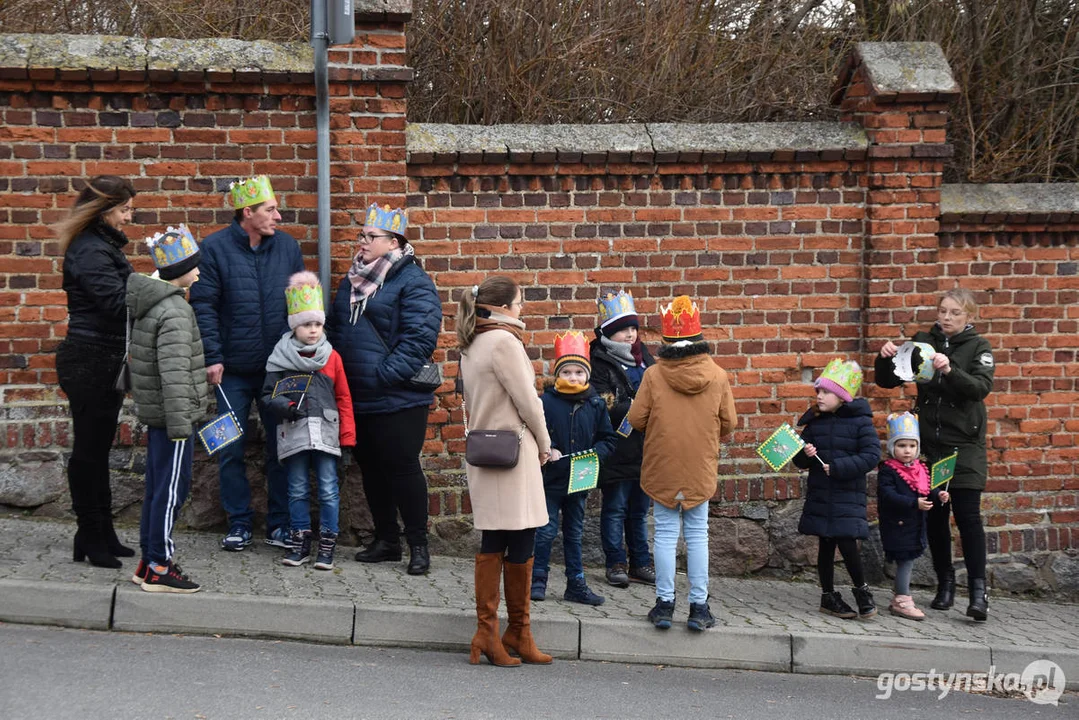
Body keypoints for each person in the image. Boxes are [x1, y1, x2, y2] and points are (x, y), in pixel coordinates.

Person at [189, 176, 304, 552]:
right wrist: (213, 356)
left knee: (281, 447)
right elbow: (203, 304)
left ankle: (280, 524)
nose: (278, 216)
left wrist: (301, 356)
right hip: (232, 373)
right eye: (270, 210)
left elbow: (302, 303)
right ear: (247, 212)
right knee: (229, 447)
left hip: (278, 370)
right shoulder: (215, 249)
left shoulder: (288, 247)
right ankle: (238, 523)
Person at [327, 203, 441, 575]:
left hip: (398, 398)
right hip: (359, 395)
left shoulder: (414, 282)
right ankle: (387, 541)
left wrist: (382, 374)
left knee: (403, 468)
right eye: (361, 235)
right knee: (371, 470)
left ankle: (418, 546)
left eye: (369, 236)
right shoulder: (351, 281)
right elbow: (335, 328)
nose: (361, 242)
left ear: (393, 242)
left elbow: (420, 338)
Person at [875, 287, 994, 621]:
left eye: (956, 312)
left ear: (969, 316)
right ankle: (945, 585)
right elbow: (891, 379)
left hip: (966, 446)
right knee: (936, 517)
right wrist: (884, 357)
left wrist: (950, 370)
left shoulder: (978, 347)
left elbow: (979, 389)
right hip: (932, 447)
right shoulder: (923, 340)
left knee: (968, 517)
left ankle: (978, 592)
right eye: (943, 310)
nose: (947, 317)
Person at [627, 296, 737, 632]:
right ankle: (699, 607)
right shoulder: (717, 376)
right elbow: (729, 423)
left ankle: (664, 604)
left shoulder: (654, 375)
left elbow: (636, 418)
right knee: (698, 535)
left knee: (663, 534)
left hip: (663, 464)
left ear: (666, 340)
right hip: (699, 465)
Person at [458, 276, 552, 667]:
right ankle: (514, 631)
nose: (522, 308)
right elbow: (528, 402)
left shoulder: (472, 342)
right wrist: (546, 445)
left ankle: (494, 632)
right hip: (513, 453)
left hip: (486, 452)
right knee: (524, 536)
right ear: (501, 307)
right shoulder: (504, 342)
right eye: (519, 301)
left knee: (495, 539)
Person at [55, 175, 138, 568]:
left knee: (98, 449)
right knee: (88, 452)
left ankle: (99, 530)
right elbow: (116, 303)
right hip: (89, 359)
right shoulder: (90, 250)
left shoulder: (101, 246)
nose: (128, 217)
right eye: (124, 210)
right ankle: (90, 531)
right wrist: (160, 285)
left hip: (103, 358)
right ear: (104, 210)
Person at [126, 226, 210, 592]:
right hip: (174, 417)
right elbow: (174, 374)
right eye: (194, 266)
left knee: (158, 488)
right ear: (180, 270)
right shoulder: (174, 310)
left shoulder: (155, 303)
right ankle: (160, 565)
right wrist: (181, 425)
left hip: (159, 414)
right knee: (172, 489)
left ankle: (147, 561)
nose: (199, 272)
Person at [262, 272, 355, 570]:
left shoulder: (332, 358)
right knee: (297, 488)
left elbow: (344, 399)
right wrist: (286, 406)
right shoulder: (280, 356)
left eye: (317, 324)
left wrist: (348, 439)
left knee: (328, 488)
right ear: (294, 326)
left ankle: (327, 545)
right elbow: (267, 393)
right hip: (295, 431)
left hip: (327, 433)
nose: (313, 331)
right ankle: (299, 542)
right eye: (306, 325)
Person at [531, 331, 618, 606]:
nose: (573, 377)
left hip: (581, 478)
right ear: (558, 375)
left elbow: (608, 438)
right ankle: (536, 580)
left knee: (574, 532)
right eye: (567, 372)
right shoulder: (545, 402)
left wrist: (596, 454)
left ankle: (576, 584)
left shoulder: (595, 404)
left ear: (587, 376)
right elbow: (534, 432)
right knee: (545, 530)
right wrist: (547, 448)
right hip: (551, 479)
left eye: (579, 372)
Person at [793, 358, 881, 620]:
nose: (819, 396)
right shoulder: (815, 424)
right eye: (818, 391)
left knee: (847, 542)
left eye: (825, 392)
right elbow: (799, 462)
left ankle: (861, 591)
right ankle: (828, 596)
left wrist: (840, 467)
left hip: (846, 495)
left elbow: (871, 455)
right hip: (822, 494)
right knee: (826, 543)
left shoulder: (861, 423)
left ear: (842, 396)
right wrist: (805, 453)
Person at [590, 291, 656, 589]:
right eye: (623, 329)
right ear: (609, 332)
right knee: (615, 508)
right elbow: (600, 402)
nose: (630, 334)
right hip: (617, 448)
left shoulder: (646, 359)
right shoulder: (599, 361)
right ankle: (615, 561)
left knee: (640, 510)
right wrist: (638, 408)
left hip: (646, 449)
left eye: (633, 328)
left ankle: (640, 562)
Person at [877, 412, 950, 620]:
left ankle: (900, 596)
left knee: (907, 561)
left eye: (912, 446)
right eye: (901, 446)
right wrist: (913, 503)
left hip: (916, 524)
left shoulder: (921, 469)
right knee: (905, 561)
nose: (907, 451)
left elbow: (927, 489)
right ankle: (902, 599)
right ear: (893, 448)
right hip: (897, 524)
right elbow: (888, 495)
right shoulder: (888, 470)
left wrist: (939, 495)